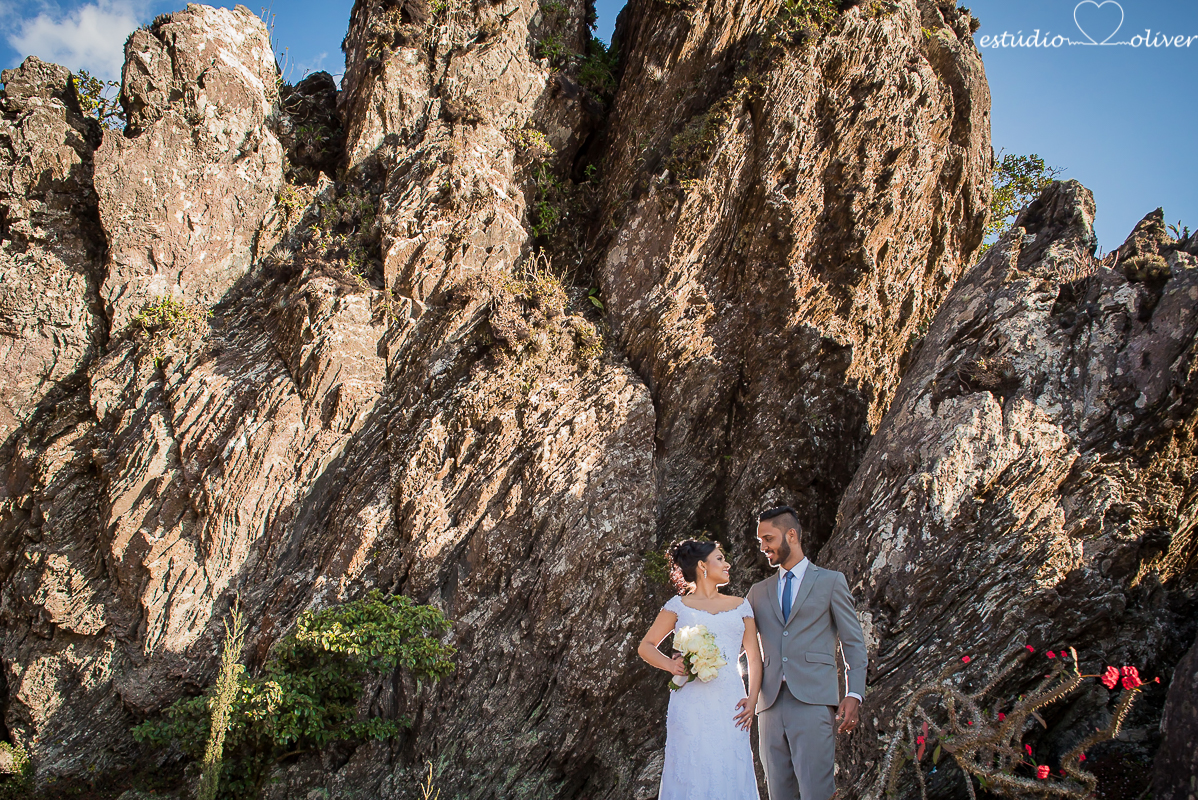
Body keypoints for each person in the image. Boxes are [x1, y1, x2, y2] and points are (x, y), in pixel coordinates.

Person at [747, 506, 868, 800]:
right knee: (778, 793)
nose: (763, 547)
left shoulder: (831, 581)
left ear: (791, 535)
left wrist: (854, 693)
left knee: (817, 792)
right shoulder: (757, 591)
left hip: (813, 702)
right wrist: (692, 656)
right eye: (760, 541)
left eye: (768, 539)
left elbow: (853, 642)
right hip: (769, 706)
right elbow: (736, 641)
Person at [638, 539, 762, 800]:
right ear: (702, 566)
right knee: (692, 769)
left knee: (730, 768)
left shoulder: (741, 606)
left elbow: (754, 658)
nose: (727, 564)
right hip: (689, 705)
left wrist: (752, 700)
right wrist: (671, 664)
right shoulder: (678, 606)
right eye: (720, 559)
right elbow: (646, 646)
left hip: (731, 704)